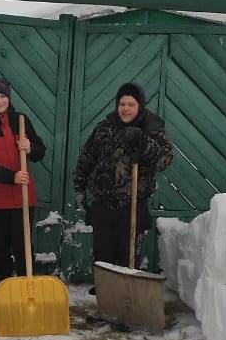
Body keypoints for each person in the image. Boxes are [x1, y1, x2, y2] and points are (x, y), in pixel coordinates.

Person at [73, 81, 173, 281]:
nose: (125, 109)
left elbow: (164, 160)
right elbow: (86, 159)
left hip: (132, 206)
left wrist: (143, 142)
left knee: (128, 261)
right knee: (102, 259)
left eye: (131, 105)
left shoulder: (151, 128)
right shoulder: (104, 128)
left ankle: (125, 298)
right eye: (122, 104)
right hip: (103, 205)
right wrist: (80, 188)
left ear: (140, 106)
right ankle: (105, 297)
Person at [0, 76, 47, 282]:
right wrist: (12, 177)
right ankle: (4, 288)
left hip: (23, 198)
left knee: (23, 247)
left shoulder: (20, 120)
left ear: (9, 97)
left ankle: (26, 286)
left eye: (2, 96)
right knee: (0, 248)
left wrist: (30, 147)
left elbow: (40, 152)